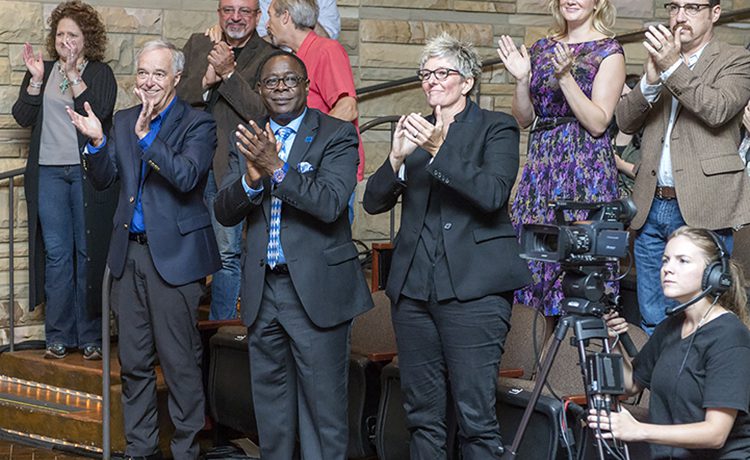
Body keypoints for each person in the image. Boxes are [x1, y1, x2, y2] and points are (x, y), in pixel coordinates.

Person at [363, 33, 531, 459]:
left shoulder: (496, 127)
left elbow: (492, 194)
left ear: (467, 81)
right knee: (421, 417)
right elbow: (373, 202)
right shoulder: (415, 130)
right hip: (413, 293)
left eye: (442, 73)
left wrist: (439, 149)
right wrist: (396, 158)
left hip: (475, 293)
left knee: (476, 420)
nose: (432, 81)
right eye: (426, 74)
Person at [213, 51, 372, 460]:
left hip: (316, 293)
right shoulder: (249, 137)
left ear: (305, 86)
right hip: (264, 292)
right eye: (271, 82)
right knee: (271, 417)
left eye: (289, 80)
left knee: (323, 415)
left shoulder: (336, 134)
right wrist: (251, 181)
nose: (280, 88)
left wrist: (276, 168)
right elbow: (224, 210)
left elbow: (331, 203)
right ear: (260, 89)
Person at [67, 40, 220, 460]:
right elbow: (105, 179)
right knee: (134, 364)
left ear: (176, 78)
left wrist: (147, 138)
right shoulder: (122, 120)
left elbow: (187, 176)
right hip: (129, 255)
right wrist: (97, 143)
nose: (149, 81)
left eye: (158, 73)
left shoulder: (198, 123)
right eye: (142, 73)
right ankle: (141, 449)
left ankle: (186, 451)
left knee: (180, 363)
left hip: (176, 259)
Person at [615, 0, 750, 334]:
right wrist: (649, 83)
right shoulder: (659, 61)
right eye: (674, 7)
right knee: (651, 315)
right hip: (651, 205)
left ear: (714, 13)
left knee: (702, 315)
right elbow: (625, 121)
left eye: (692, 7)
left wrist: (671, 66)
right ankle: (658, 369)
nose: (680, 16)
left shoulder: (736, 59)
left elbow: (717, 109)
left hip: (702, 206)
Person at [497, 0, 625, 317]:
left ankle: (578, 346)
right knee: (534, 257)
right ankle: (533, 346)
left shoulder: (609, 52)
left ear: (598, 3)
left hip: (585, 169)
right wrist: (522, 80)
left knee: (579, 263)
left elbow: (598, 123)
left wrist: (566, 77)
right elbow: (524, 118)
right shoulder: (542, 48)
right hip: (542, 166)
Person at [12, 0, 117, 360]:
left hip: (87, 174)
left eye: (72, 35)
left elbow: (99, 112)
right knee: (57, 255)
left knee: (87, 253)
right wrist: (35, 81)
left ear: (87, 39)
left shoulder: (100, 73)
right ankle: (57, 336)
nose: (65, 41)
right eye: (60, 35)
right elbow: (23, 116)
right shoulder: (42, 70)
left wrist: (73, 75)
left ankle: (90, 337)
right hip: (49, 174)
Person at [588, 226, 750, 459]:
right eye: (665, 260)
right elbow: (631, 385)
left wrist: (638, 430)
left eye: (683, 261)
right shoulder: (671, 326)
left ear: (713, 274)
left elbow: (716, 434)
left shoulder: (730, 337)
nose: (667, 269)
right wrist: (613, 342)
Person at [177, 0, 275, 320]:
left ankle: (222, 332)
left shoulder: (269, 56)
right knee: (187, 249)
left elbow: (261, 111)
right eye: (228, 10)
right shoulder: (199, 44)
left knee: (226, 254)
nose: (235, 17)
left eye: (244, 11)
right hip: (189, 165)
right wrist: (206, 81)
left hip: (231, 167)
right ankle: (185, 331)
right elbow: (174, 96)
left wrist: (229, 73)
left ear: (257, 16)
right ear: (219, 13)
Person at [265, 0, 365, 189]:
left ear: (285, 17)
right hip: (303, 171)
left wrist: (307, 144)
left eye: (270, 16)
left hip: (328, 169)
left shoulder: (326, 50)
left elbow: (348, 108)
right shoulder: (295, 58)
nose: (267, 25)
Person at [611, 74, 642, 198]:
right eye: (617, 96)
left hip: (637, 201)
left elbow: (652, 176)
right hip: (609, 201)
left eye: (625, 97)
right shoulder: (606, 134)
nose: (620, 102)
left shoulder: (647, 136)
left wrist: (620, 164)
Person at [257, 0, 339, 39]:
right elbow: (259, 42)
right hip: (271, 59)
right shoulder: (260, 2)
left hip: (313, 58)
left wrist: (303, 8)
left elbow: (327, 41)